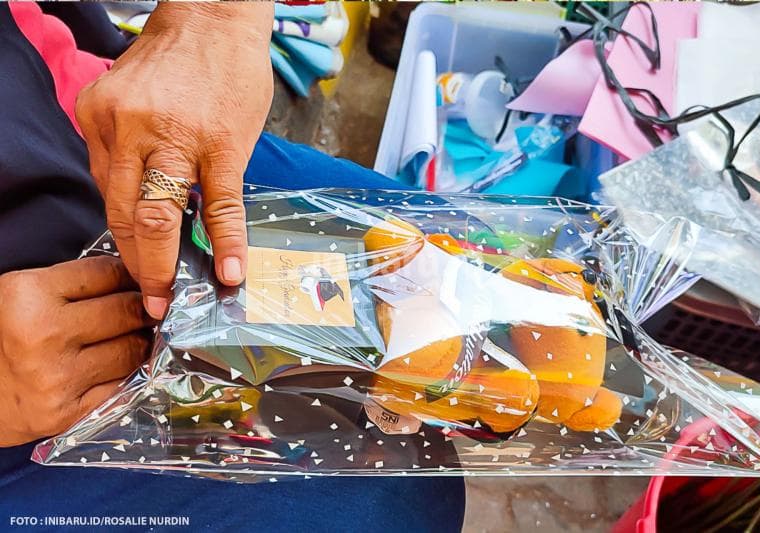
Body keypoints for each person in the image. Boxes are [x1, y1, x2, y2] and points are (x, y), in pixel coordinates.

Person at [0, 3, 465, 531]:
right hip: (19, 399)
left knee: (449, 249)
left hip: (77, 119)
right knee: (391, 503)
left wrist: (212, 21)